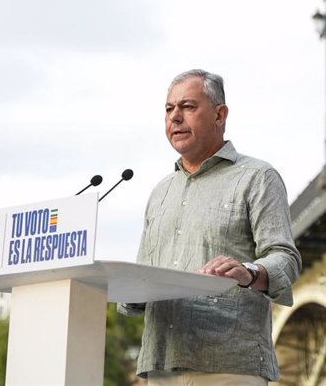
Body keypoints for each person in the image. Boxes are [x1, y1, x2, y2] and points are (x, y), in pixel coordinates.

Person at [120, 69, 302, 385]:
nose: (175, 117)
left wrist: (249, 273)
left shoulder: (257, 177)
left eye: (188, 107)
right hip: (160, 366)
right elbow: (144, 274)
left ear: (220, 114)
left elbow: (285, 258)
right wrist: (128, 290)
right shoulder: (159, 193)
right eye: (169, 109)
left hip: (228, 365)